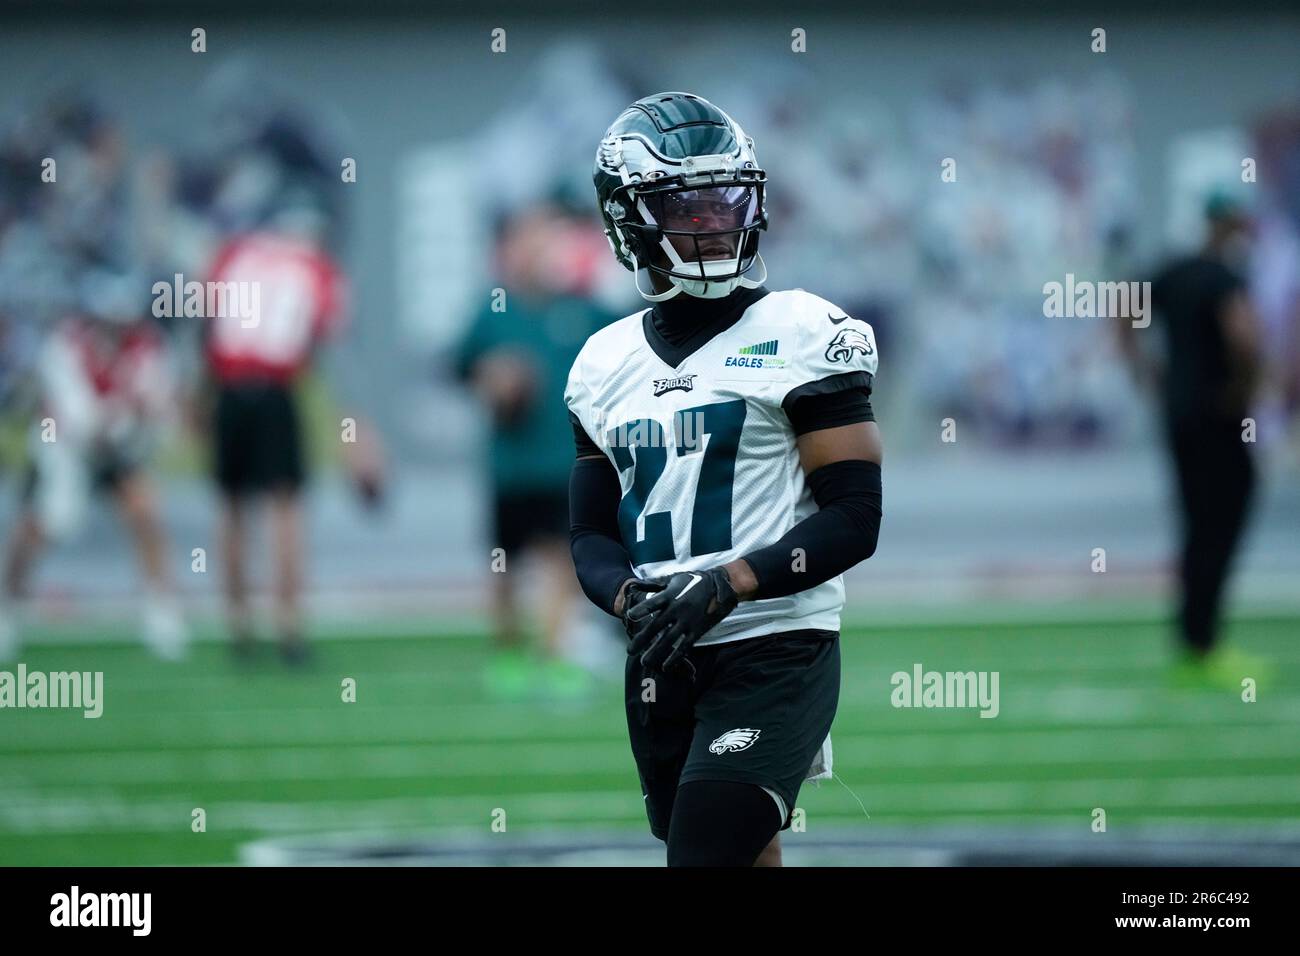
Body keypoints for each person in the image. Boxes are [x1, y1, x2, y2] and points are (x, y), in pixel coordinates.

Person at [565, 93, 883, 866]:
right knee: (737, 853)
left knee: (704, 853)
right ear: (626, 221)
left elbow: (854, 516)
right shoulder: (601, 365)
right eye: (687, 207)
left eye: (726, 199)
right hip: (663, 655)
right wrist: (624, 597)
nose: (713, 222)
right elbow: (590, 534)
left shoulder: (806, 334)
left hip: (776, 643)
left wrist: (731, 581)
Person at [202, 199, 382, 664]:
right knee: (285, 512)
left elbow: (205, 328)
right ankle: (289, 628)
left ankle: (238, 626)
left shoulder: (234, 253)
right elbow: (337, 353)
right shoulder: (315, 267)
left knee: (232, 510)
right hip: (274, 392)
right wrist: (359, 433)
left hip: (227, 392)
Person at [455, 204, 620, 700]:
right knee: (506, 564)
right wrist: (492, 379)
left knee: (559, 561)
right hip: (510, 465)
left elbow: (629, 343)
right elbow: (458, 366)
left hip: (563, 461)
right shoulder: (494, 309)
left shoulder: (581, 306)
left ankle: (554, 655)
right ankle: (508, 655)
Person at [0, 270, 187, 661]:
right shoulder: (64, 348)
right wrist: (130, 413)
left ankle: (161, 610)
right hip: (65, 448)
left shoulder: (148, 348)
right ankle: (7, 607)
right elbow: (80, 420)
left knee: (146, 513)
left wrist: (141, 417)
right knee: (46, 524)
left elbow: (162, 410)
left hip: (119, 448)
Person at [1134, 194, 1266, 688]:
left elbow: (1124, 312)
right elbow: (1245, 338)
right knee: (1223, 521)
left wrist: (1147, 372)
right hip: (1218, 415)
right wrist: (1246, 388)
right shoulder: (1225, 278)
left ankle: (1192, 641)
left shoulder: (1174, 271)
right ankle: (1205, 642)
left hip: (1180, 415)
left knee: (1194, 525)